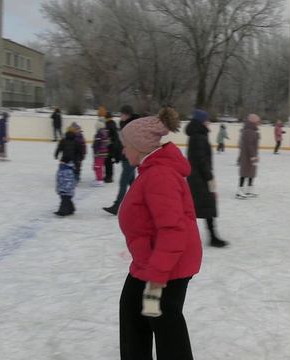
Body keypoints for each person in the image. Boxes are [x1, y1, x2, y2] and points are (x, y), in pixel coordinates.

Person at [118, 106, 202, 360]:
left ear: (140, 146)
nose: (123, 150)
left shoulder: (159, 175)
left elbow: (173, 230)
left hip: (165, 269)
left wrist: (156, 278)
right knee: (134, 315)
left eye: (126, 145)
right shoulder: (150, 171)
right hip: (150, 264)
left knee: (165, 326)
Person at [185, 109, 229, 248]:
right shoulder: (199, 136)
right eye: (207, 120)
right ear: (201, 121)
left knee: (200, 207)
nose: (209, 122)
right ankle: (212, 237)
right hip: (200, 179)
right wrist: (209, 178)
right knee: (205, 207)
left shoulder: (196, 135)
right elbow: (202, 160)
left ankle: (211, 236)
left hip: (197, 178)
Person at [103, 105, 140, 215]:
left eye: (122, 114)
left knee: (123, 182)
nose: (120, 116)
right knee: (132, 184)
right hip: (125, 157)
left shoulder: (133, 126)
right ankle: (140, 204)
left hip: (130, 157)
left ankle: (117, 206)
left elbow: (134, 142)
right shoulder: (124, 124)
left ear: (127, 115)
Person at [237, 114, 261, 199]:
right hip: (248, 156)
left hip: (251, 155)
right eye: (258, 121)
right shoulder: (249, 131)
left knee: (251, 173)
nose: (259, 123)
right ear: (253, 122)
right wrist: (253, 156)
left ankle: (249, 190)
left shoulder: (252, 131)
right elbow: (249, 145)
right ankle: (239, 191)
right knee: (244, 173)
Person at [92, 118, 110, 187]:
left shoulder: (99, 133)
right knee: (100, 166)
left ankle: (99, 180)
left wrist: (96, 151)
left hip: (99, 153)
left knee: (98, 166)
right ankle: (99, 179)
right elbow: (107, 143)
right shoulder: (105, 132)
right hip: (104, 152)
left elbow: (97, 144)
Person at [105, 113, 119, 183]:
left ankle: (109, 177)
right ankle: (108, 176)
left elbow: (113, 136)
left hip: (110, 147)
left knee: (108, 162)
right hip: (110, 146)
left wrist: (109, 141)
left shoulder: (110, 125)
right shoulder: (112, 124)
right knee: (108, 162)